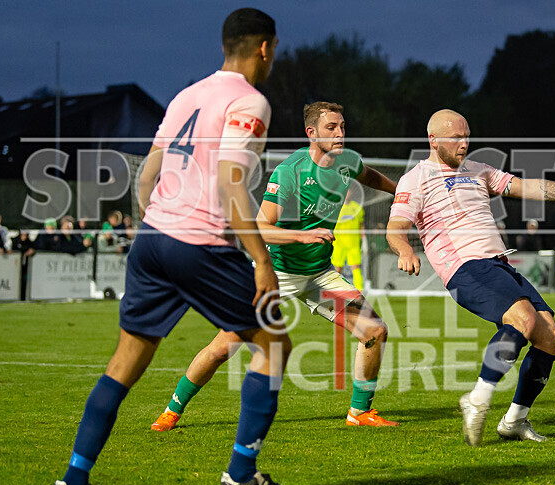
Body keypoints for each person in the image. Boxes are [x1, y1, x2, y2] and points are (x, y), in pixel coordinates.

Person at [49, 8, 303, 485]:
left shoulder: (188, 94)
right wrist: (261, 260)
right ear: (266, 48)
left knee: (124, 365)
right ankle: (241, 475)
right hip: (199, 243)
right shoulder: (250, 100)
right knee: (274, 345)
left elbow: (147, 173)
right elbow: (232, 182)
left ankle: (73, 484)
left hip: (152, 240)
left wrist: (155, 224)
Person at [150, 101, 399, 433]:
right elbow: (259, 227)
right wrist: (302, 236)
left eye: (342, 127)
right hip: (277, 273)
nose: (340, 134)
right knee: (224, 346)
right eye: (331, 128)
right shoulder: (291, 172)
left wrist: (403, 194)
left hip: (319, 274)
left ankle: (360, 411)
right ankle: (172, 410)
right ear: (311, 133)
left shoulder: (348, 161)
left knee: (374, 332)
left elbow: (368, 175)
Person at [386, 109, 555, 447]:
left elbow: (530, 187)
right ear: (433, 140)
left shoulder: (479, 171)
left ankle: (514, 421)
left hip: (498, 266)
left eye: (467, 136)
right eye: (456, 138)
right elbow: (395, 229)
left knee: (550, 335)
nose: (464, 143)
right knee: (522, 320)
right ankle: (477, 399)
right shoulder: (415, 180)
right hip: (464, 268)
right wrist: (405, 252)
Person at [331, 187, 366, 290]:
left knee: (356, 268)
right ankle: (336, 291)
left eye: (348, 191)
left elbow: (361, 225)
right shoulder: (335, 207)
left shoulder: (357, 207)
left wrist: (364, 239)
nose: (347, 193)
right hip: (338, 244)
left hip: (353, 244)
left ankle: (360, 292)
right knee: (337, 269)